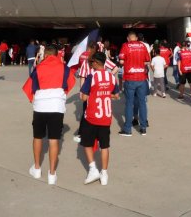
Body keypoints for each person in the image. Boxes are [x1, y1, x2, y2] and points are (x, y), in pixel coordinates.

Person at [23, 43, 75, 185]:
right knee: (54, 140)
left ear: (45, 55)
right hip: (57, 106)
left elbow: (29, 87)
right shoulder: (64, 68)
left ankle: (37, 168)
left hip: (40, 106)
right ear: (57, 54)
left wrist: (33, 98)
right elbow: (71, 82)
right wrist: (61, 94)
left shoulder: (38, 68)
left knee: (38, 137)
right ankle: (52, 174)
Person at [79, 51, 119, 186]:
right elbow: (116, 95)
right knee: (105, 146)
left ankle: (93, 169)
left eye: (91, 62)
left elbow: (83, 97)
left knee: (87, 143)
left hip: (92, 116)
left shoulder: (91, 77)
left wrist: (95, 95)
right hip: (106, 117)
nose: (90, 65)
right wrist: (105, 93)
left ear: (95, 63)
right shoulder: (111, 77)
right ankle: (104, 173)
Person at [118, 31, 151, 136]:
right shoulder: (142, 45)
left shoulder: (125, 45)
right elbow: (147, 61)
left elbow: (121, 61)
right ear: (136, 38)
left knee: (129, 103)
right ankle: (143, 128)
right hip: (141, 78)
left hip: (130, 78)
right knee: (142, 103)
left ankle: (128, 129)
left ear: (128, 38)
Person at [177, 36, 191, 101]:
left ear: (180, 45)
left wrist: (179, 70)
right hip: (190, 69)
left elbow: (178, 61)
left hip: (183, 70)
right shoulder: (190, 51)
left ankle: (181, 95)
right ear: (186, 45)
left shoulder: (179, 52)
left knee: (182, 83)